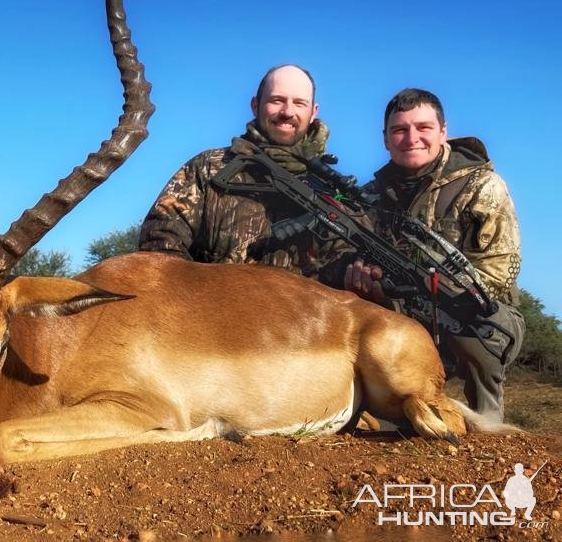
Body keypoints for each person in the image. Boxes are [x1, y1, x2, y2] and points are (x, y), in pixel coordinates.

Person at [345, 88, 525, 422]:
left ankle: (487, 422)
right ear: (385, 139)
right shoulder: (369, 197)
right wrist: (359, 276)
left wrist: (418, 291)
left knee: (479, 325)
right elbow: (354, 257)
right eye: (399, 130)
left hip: (474, 315)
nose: (411, 138)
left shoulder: (482, 185)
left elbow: (498, 274)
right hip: (399, 313)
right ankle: (384, 416)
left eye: (423, 127)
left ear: (443, 132)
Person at [138, 64, 338, 276]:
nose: (288, 112)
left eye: (299, 103)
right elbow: (158, 248)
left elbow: (342, 269)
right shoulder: (208, 167)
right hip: (210, 306)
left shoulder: (334, 193)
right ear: (255, 105)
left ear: (313, 112)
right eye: (276, 100)